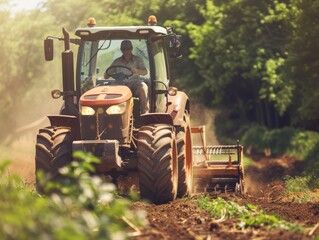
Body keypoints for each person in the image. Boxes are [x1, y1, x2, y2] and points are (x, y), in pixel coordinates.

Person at [104, 40, 149, 114]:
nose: (126, 51)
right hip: (121, 83)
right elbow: (106, 76)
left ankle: (145, 112)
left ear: (131, 49)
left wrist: (137, 70)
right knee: (111, 88)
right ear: (121, 50)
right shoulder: (117, 61)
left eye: (128, 49)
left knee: (143, 86)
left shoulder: (137, 60)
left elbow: (145, 72)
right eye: (124, 49)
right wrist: (107, 73)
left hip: (134, 83)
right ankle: (110, 113)